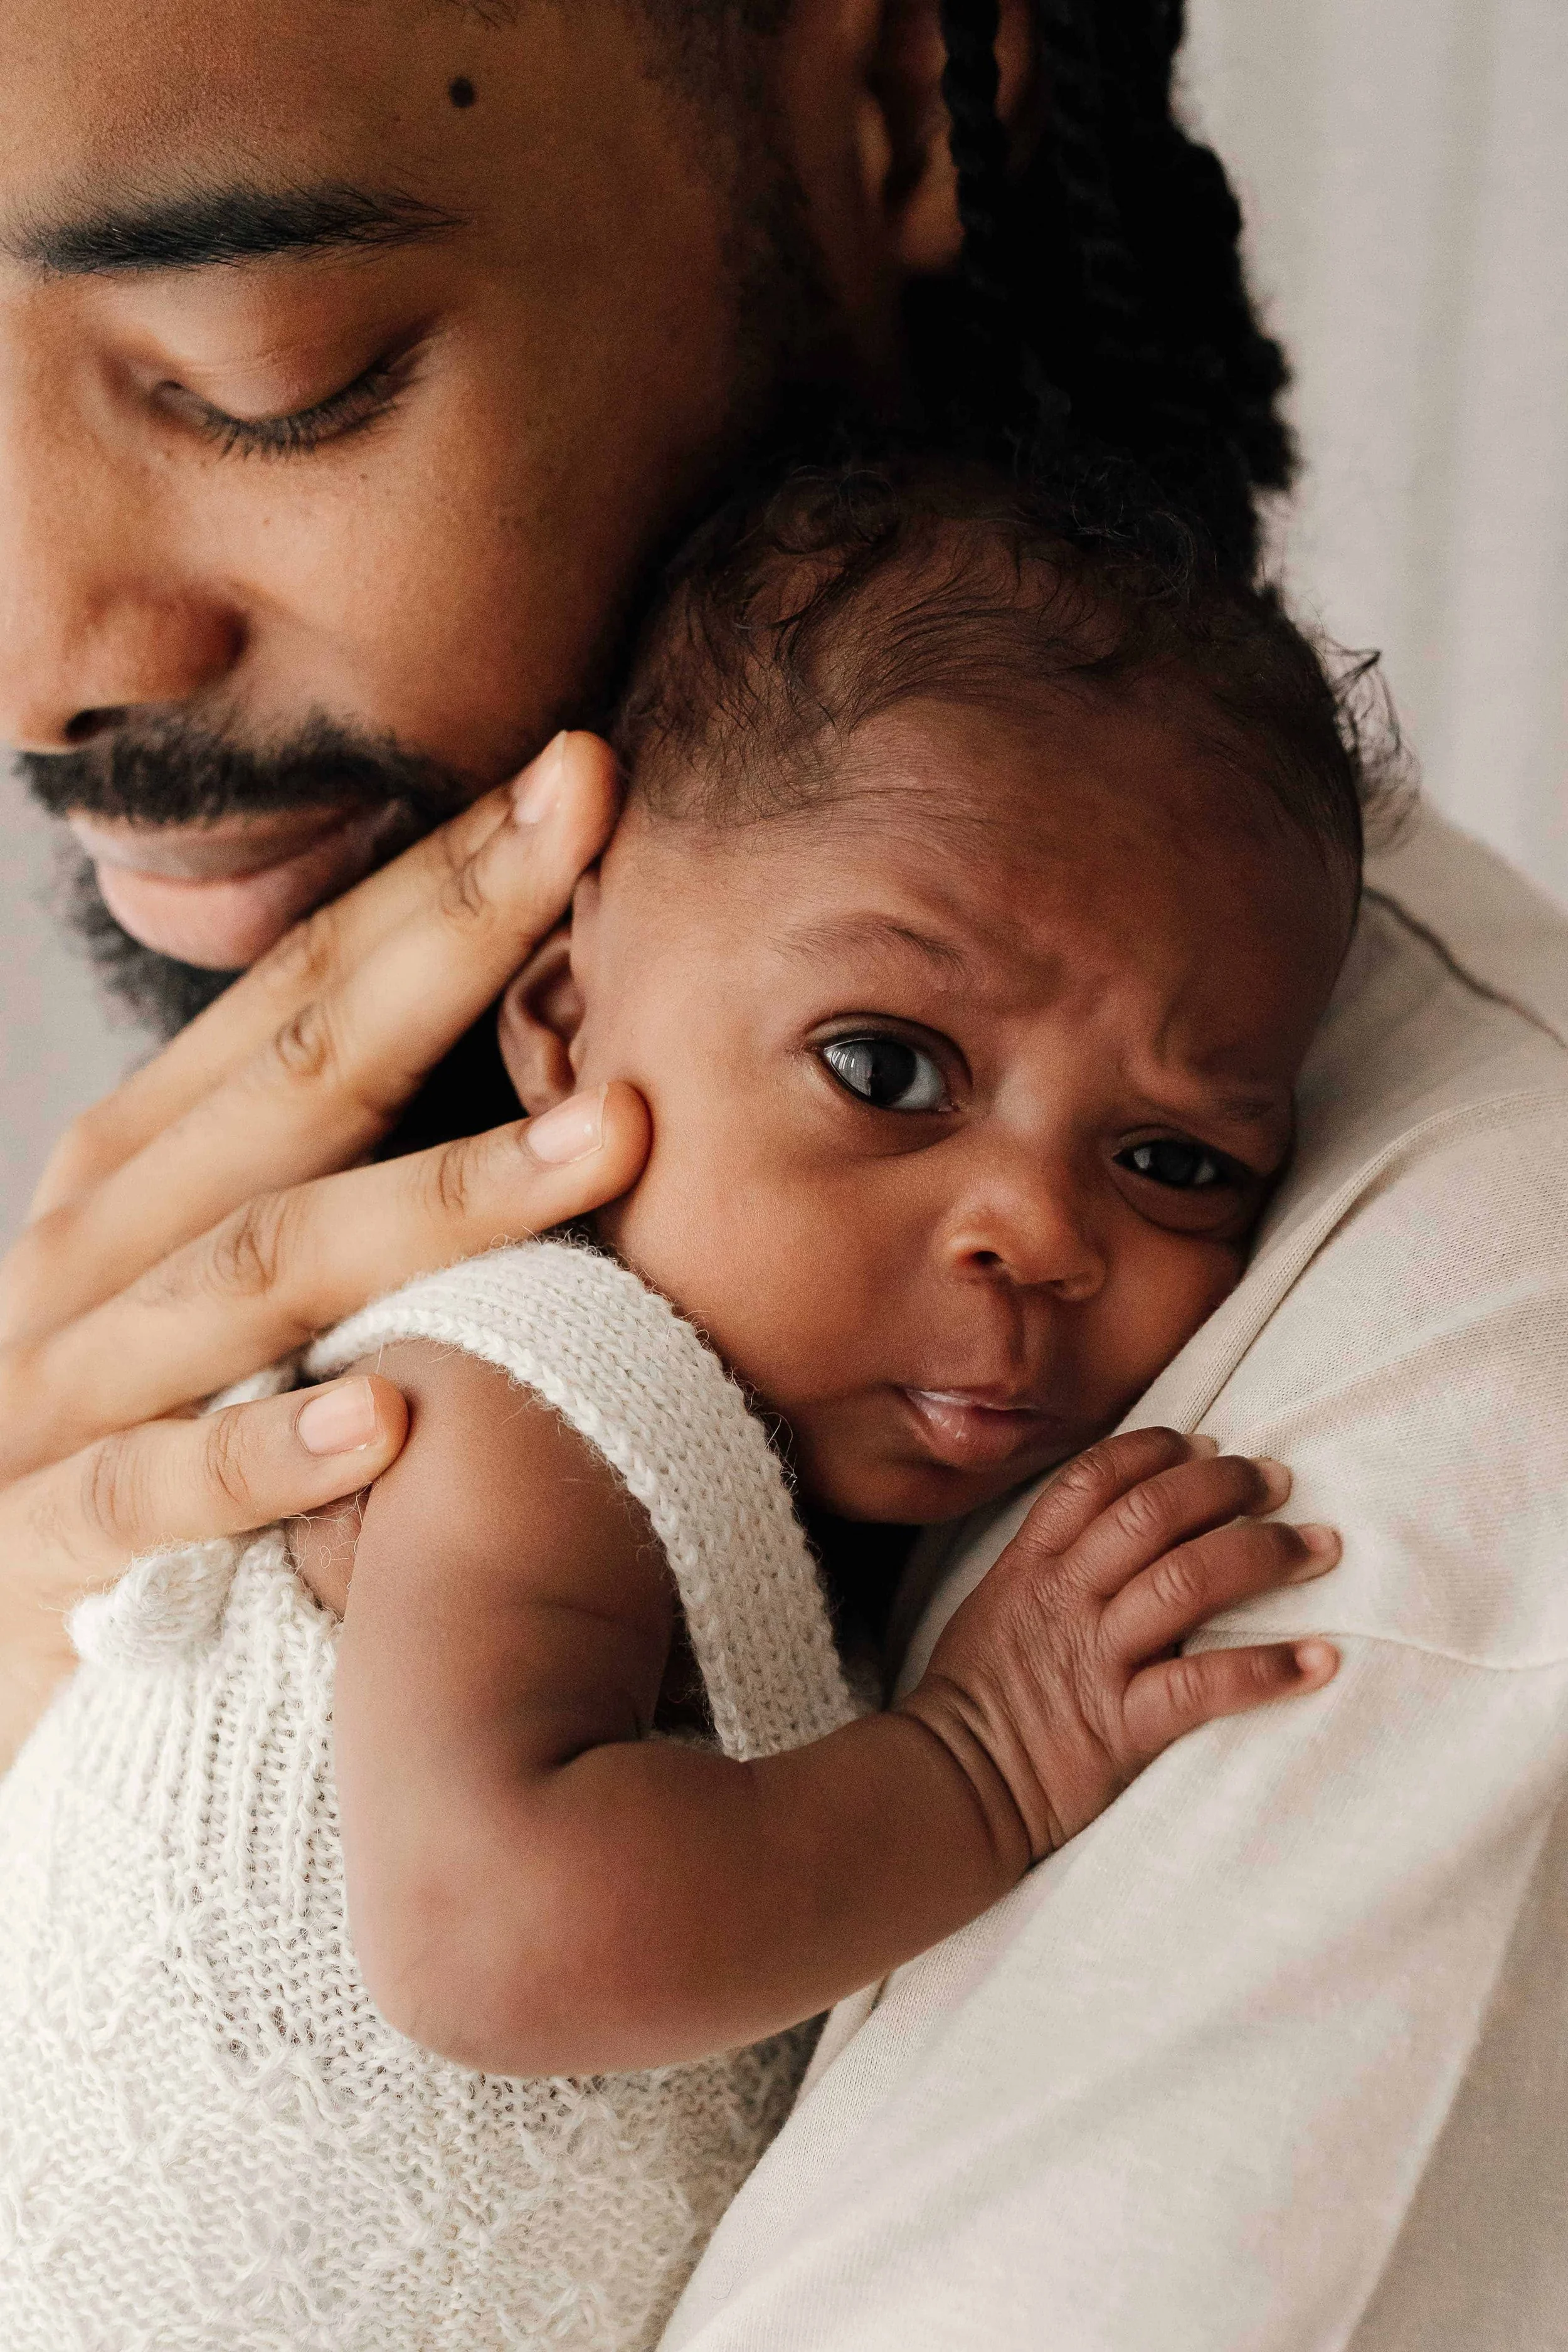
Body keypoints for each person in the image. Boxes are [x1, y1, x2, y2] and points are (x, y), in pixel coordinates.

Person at [0, 3, 1563, 2346]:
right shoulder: (459, 1379)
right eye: (877, 1061)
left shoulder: (1434, 1389)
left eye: (270, 370)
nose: (41, 660)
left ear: (898, 86)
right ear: (571, 1010)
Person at [0, 460, 1351, 2349]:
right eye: (886, 1067)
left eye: (1175, 1160)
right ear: (561, 1018)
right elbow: (487, 1934)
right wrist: (985, 1761)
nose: (1035, 1232)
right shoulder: (535, 1391)